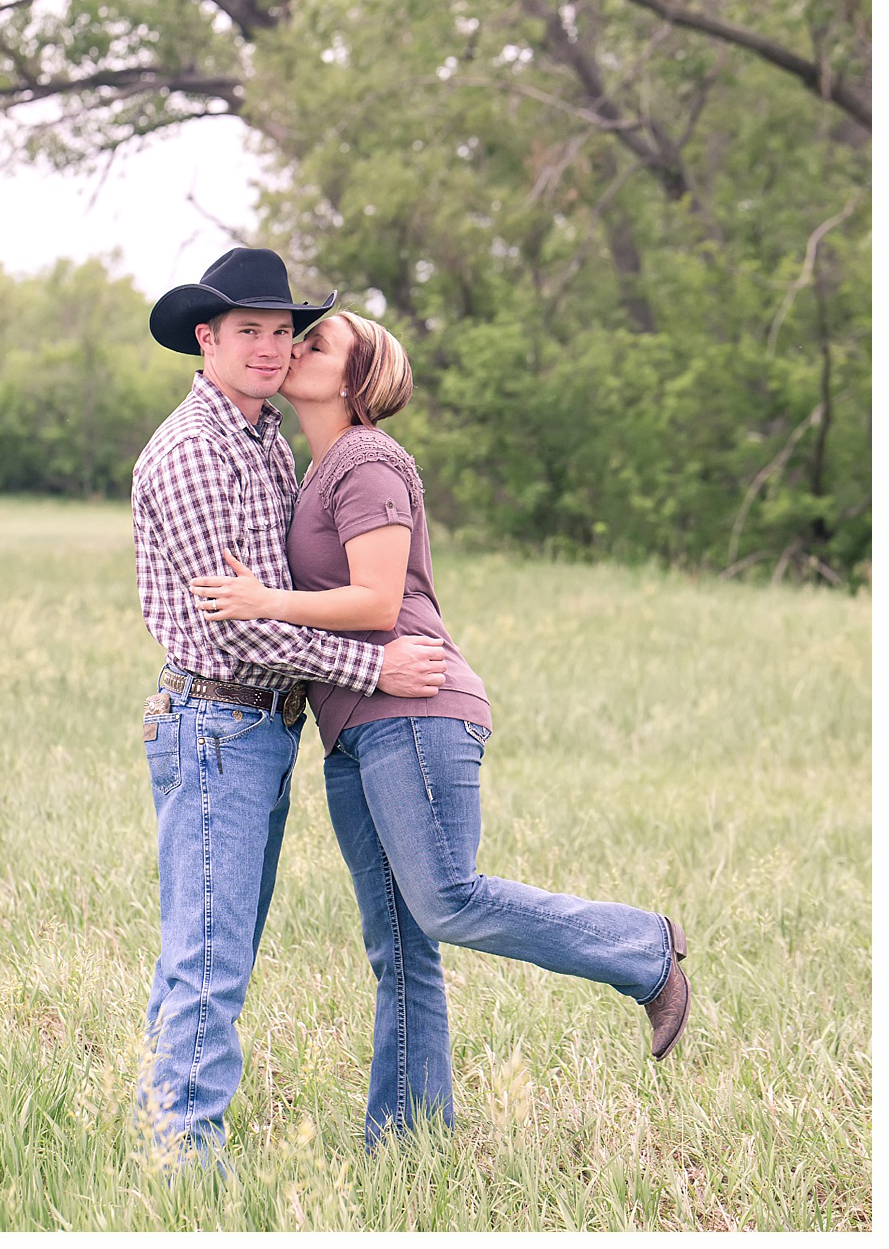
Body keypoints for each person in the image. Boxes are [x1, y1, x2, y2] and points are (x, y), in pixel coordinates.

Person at [189, 308, 691, 1149]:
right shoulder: (317, 470)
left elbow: (378, 601)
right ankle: (409, 1139)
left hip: (414, 711)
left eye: (316, 344)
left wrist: (267, 601)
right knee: (397, 943)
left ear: (356, 378)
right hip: (353, 724)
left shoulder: (369, 459)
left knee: (447, 899)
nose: (292, 349)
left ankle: (644, 948)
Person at [131, 247, 450, 1162]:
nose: (271, 349)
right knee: (209, 953)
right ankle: (183, 1164)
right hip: (216, 722)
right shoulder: (193, 452)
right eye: (249, 332)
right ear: (208, 338)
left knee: (215, 940)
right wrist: (372, 671)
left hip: (262, 728)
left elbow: (292, 591)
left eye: (284, 332)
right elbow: (241, 631)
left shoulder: (265, 436)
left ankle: (166, 1130)